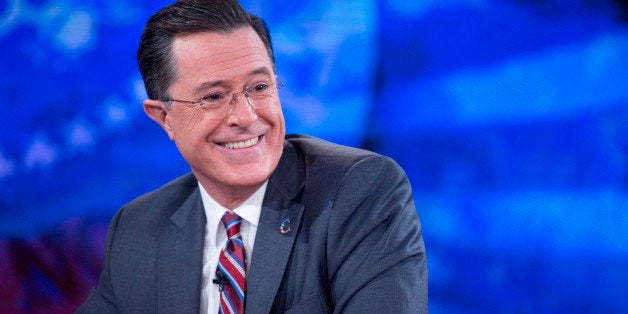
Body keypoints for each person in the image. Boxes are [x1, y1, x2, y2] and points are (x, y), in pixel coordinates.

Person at [77, 0, 428, 313]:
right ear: (164, 117)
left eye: (259, 88)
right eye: (213, 97)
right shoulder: (139, 227)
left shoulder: (359, 192)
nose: (245, 117)